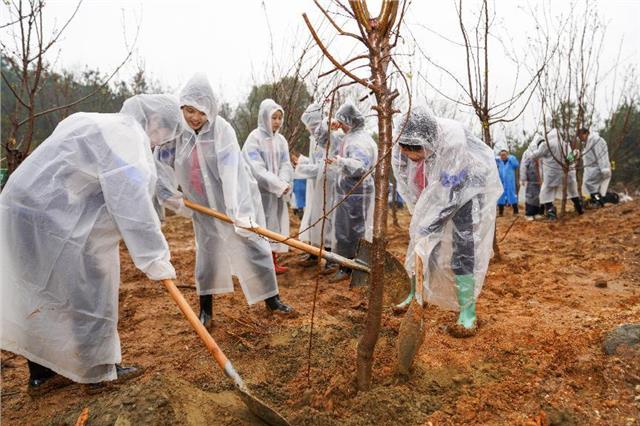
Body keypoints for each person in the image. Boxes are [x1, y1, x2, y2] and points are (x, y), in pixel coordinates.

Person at [0, 94, 182, 395]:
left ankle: (41, 374)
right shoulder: (129, 137)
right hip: (49, 218)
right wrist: (156, 258)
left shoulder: (94, 120)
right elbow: (132, 205)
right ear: (153, 122)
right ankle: (98, 372)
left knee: (34, 290)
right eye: (163, 134)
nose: (159, 142)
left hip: (19, 208)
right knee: (91, 286)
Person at [156, 74, 293, 330]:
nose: (194, 117)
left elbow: (232, 173)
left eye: (200, 111)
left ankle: (272, 300)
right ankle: (205, 310)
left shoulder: (222, 131)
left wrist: (237, 212)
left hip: (235, 200)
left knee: (255, 248)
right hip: (202, 206)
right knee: (207, 254)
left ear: (211, 108)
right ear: (181, 108)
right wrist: (172, 197)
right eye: (189, 110)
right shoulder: (178, 135)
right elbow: (160, 166)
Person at [395, 108, 502, 338]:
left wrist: (431, 222)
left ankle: (467, 311)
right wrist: (420, 210)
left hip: (467, 189)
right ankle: (417, 295)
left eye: (412, 154)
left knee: (462, 246)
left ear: (426, 144)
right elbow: (404, 176)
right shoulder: (406, 138)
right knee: (420, 240)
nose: (408, 157)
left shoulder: (453, 142)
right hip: (435, 189)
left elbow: (452, 191)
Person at [326, 102, 377, 283]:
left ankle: (353, 267)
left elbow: (360, 167)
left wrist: (340, 161)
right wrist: (330, 124)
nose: (340, 125)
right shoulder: (352, 136)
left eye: (342, 121)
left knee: (354, 232)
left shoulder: (359, 141)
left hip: (357, 193)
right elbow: (324, 136)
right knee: (343, 230)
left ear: (350, 121)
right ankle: (345, 265)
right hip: (348, 192)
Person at [242, 99, 294, 274]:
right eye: (274, 118)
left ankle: (272, 261)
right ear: (264, 117)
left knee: (273, 226)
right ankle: (258, 263)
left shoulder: (281, 141)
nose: (277, 122)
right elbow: (256, 168)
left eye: (280, 118)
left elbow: (286, 164)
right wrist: (277, 184)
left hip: (276, 194)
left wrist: (284, 182)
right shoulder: (254, 138)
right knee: (259, 226)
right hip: (259, 193)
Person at [295, 103, 343, 271]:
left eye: (312, 126)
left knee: (327, 221)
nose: (311, 130)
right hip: (317, 185)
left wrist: (301, 167)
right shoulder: (314, 139)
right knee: (314, 220)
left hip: (328, 186)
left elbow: (325, 166)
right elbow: (317, 163)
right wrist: (301, 162)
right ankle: (314, 252)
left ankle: (330, 257)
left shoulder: (331, 137)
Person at [531, 128, 583, 219]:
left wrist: (533, 150)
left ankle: (551, 214)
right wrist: (575, 154)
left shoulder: (546, 144)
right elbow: (570, 158)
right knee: (572, 192)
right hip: (567, 174)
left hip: (552, 175)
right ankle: (579, 209)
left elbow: (535, 155)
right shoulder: (565, 144)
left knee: (546, 193)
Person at [578, 128, 611, 207]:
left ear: (585, 133)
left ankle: (600, 201)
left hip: (597, 169)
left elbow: (601, 155)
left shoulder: (596, 140)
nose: (580, 139)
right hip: (590, 170)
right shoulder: (587, 143)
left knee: (591, 187)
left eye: (580, 136)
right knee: (589, 188)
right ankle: (594, 201)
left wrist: (604, 168)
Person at [519, 139, 544, 220]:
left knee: (538, 196)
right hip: (531, 178)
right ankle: (529, 213)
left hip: (539, 179)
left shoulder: (541, 152)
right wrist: (523, 178)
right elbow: (523, 165)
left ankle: (536, 212)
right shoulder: (528, 152)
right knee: (530, 196)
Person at [495, 149, 519, 215]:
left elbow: (516, 164)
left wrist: (511, 157)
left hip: (510, 182)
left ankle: (516, 212)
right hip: (501, 182)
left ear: (507, 155)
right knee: (501, 197)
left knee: (512, 196)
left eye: (504, 155)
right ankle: (500, 213)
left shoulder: (510, 162)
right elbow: (492, 160)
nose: (503, 156)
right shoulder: (499, 162)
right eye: (501, 155)